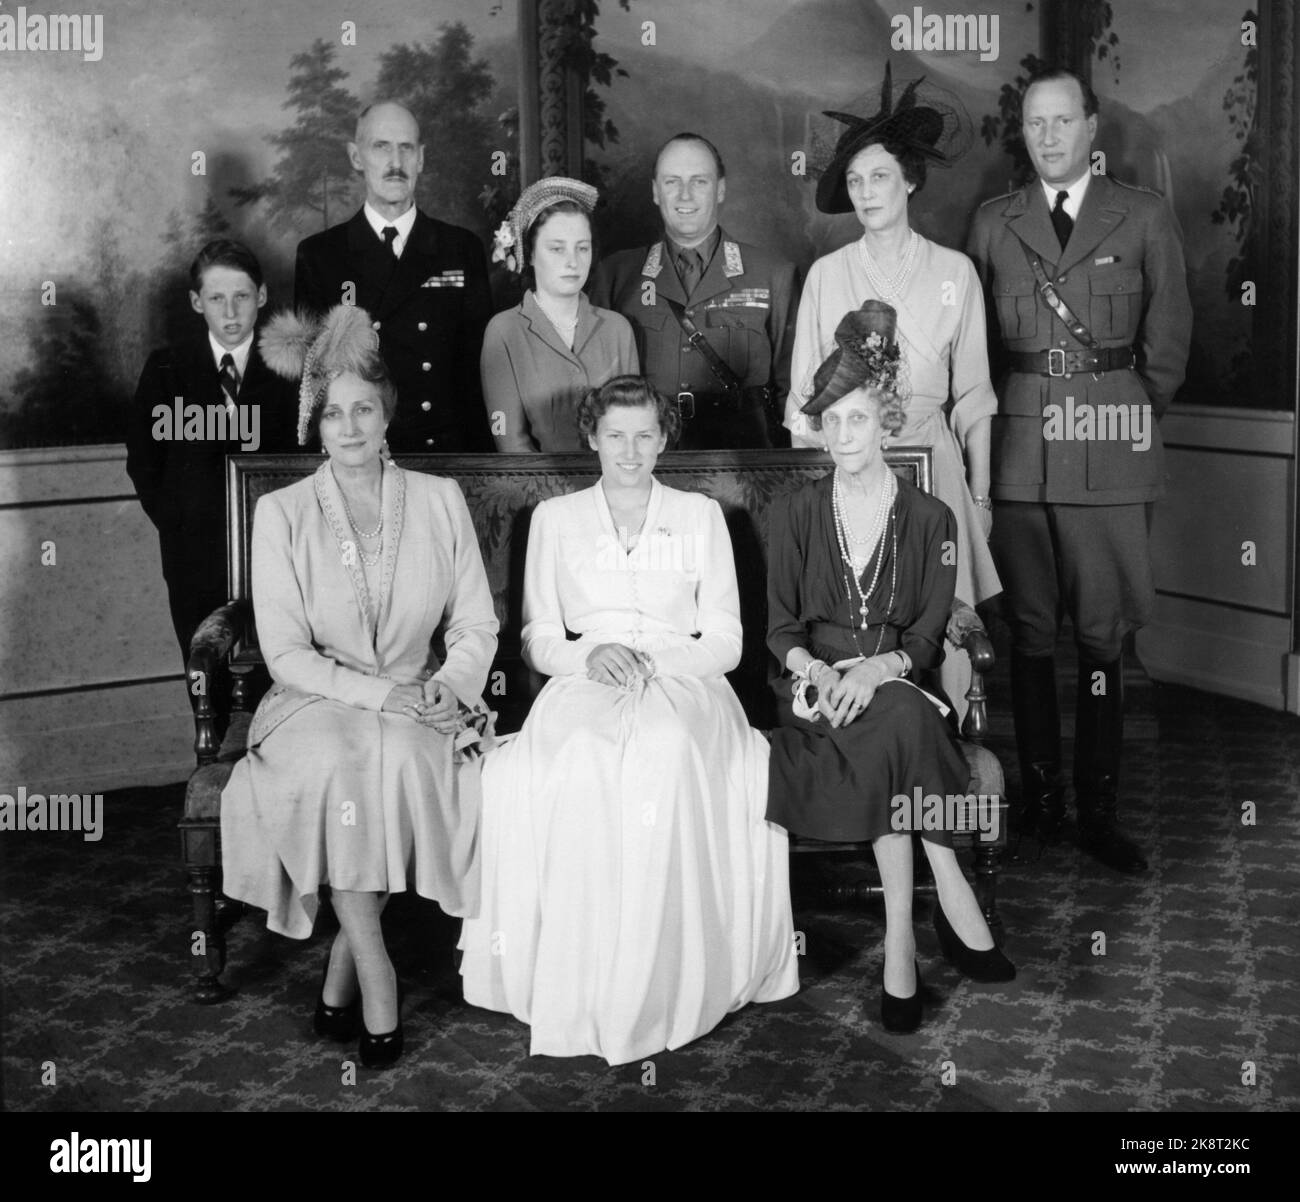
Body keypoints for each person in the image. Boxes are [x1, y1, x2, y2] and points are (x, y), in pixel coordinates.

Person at [458, 375, 798, 1065]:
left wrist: (659, 664)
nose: (631, 450)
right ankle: (587, 983)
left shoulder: (701, 516)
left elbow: (727, 641)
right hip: (585, 679)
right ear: (591, 438)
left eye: (645, 434)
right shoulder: (555, 520)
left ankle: (661, 980)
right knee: (574, 760)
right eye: (616, 435)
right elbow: (535, 636)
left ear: (665, 437)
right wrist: (590, 656)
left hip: (685, 681)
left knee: (664, 755)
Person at [220, 305, 499, 1069]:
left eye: (364, 410)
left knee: (408, 763)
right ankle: (378, 973)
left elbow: (475, 622)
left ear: (387, 419)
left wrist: (450, 684)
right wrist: (380, 698)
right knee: (346, 764)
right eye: (333, 413)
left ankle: (341, 971)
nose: (348, 427)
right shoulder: (280, 513)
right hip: (315, 704)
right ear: (316, 425)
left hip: (419, 695)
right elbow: (283, 652)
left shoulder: (440, 500)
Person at [966, 67, 1192, 873]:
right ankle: (1041, 803)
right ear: (1022, 132)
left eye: (1064, 121)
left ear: (1092, 128)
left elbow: (1166, 345)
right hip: (1022, 460)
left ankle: (1097, 810)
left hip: (1111, 451)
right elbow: (978, 351)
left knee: (1101, 641)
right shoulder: (994, 224)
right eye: (1036, 122)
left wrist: (1123, 413)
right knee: (1028, 636)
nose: (1050, 135)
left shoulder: (1144, 215)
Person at [767, 300, 1014, 1034]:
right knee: (902, 728)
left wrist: (876, 672)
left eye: (859, 420)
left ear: (887, 425)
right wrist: (820, 672)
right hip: (814, 689)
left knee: (901, 708)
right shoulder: (795, 513)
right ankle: (948, 883)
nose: (843, 435)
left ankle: (900, 939)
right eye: (831, 421)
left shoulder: (933, 521)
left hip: (899, 680)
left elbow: (931, 639)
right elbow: (779, 630)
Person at [787, 67, 999, 727]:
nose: (866, 191)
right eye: (854, 180)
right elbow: (803, 406)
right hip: (852, 473)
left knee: (949, 613)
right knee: (863, 620)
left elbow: (974, 396)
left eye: (879, 176)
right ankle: (863, 749)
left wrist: (983, 497)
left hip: (936, 465)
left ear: (910, 180)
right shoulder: (828, 275)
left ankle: (956, 746)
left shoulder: (954, 273)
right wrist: (821, 493)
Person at [126, 238, 297, 670]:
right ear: (196, 302)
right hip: (195, 560)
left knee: (281, 672)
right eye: (216, 298)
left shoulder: (291, 369)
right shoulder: (167, 369)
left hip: (280, 555)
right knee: (207, 679)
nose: (231, 312)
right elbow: (144, 462)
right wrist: (180, 523)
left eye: (241, 297)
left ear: (261, 296)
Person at [293, 101, 493, 453]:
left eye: (406, 148)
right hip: (362, 454)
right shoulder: (320, 256)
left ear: (422, 158)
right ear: (356, 157)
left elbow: (479, 371)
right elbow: (312, 385)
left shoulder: (461, 248)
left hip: (444, 455)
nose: (396, 163)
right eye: (381, 147)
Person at [589, 133, 798, 449]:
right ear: (656, 192)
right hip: (647, 461)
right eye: (672, 182)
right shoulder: (616, 275)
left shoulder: (773, 275)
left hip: (744, 460)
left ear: (721, 189)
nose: (685, 195)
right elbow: (597, 392)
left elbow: (793, 390)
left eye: (699, 181)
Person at [481, 177, 638, 451]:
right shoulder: (504, 331)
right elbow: (511, 443)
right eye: (556, 248)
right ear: (529, 254)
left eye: (582, 248)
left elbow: (633, 428)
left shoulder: (618, 329)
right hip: (537, 489)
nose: (572, 262)